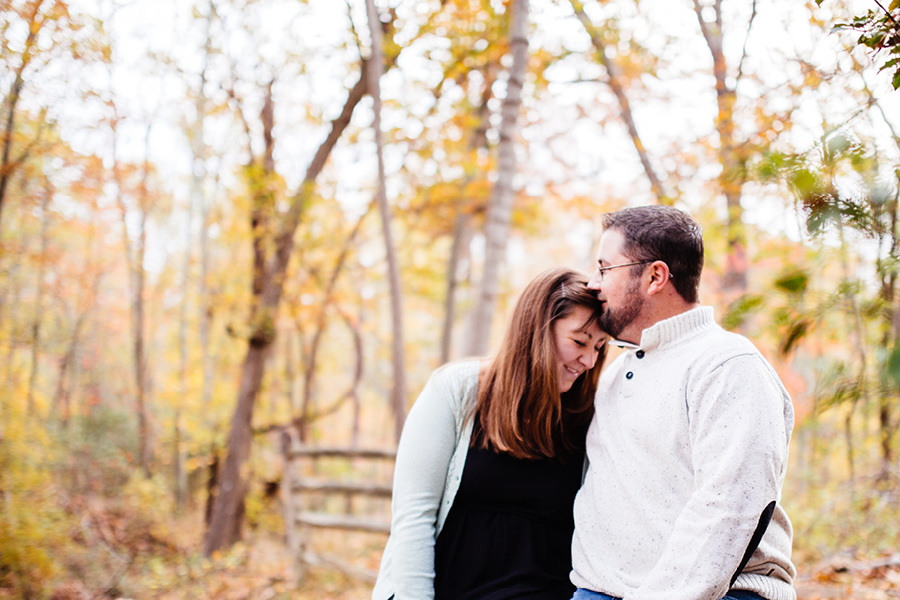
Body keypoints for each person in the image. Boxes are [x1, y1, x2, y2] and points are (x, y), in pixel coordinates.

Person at [570, 205, 796, 600]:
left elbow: (730, 510)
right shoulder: (611, 372)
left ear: (655, 276)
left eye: (605, 269)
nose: (593, 283)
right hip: (597, 591)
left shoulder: (728, 365)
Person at [372, 267, 609, 600]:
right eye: (579, 341)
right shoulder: (458, 391)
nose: (588, 359)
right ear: (535, 331)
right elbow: (414, 517)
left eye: (599, 346)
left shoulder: (588, 416)